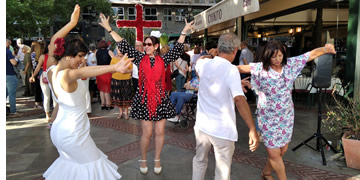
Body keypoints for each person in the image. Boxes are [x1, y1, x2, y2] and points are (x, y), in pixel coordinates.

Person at [98, 12, 193, 175]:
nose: (146, 46)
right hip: (144, 99)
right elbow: (124, 45)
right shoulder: (139, 57)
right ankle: (143, 158)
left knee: (160, 132)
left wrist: (184, 31)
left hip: (161, 100)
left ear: (156, 46)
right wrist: (109, 29)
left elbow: (177, 48)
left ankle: (157, 159)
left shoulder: (164, 59)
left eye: (149, 44)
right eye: (145, 44)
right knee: (147, 133)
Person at [43, 5, 131, 180]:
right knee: (92, 167)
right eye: (80, 56)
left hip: (61, 131)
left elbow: (54, 40)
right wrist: (114, 66)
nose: (83, 60)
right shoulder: (67, 75)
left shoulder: (51, 69)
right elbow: (82, 73)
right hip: (72, 133)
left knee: (74, 168)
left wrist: (72, 23)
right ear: (68, 56)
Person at [237, 40, 336, 180]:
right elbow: (239, 68)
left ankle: (266, 173)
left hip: (286, 116)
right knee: (273, 153)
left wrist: (325, 49)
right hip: (268, 117)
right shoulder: (260, 68)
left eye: (280, 55)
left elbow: (309, 55)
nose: (277, 59)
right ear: (267, 56)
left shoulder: (290, 65)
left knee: (281, 151)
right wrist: (213, 64)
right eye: (273, 56)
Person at [192, 33, 259, 180]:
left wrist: (210, 55)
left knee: (199, 161)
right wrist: (252, 128)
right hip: (222, 130)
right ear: (235, 50)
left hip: (202, 127)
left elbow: (200, 66)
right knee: (222, 172)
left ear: (218, 48)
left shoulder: (203, 64)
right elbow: (240, 100)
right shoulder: (231, 70)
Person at [109, 47, 133, 120]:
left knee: (126, 96)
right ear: (116, 50)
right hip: (116, 80)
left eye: (121, 50)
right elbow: (111, 69)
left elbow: (132, 69)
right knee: (118, 97)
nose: (120, 51)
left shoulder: (127, 59)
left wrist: (126, 71)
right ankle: (120, 112)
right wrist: (115, 70)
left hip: (126, 80)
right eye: (119, 50)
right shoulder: (113, 58)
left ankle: (126, 113)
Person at [96, 40, 113, 110]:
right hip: (107, 70)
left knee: (101, 88)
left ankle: (103, 104)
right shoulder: (109, 51)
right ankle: (108, 104)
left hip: (99, 70)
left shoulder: (97, 52)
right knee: (107, 88)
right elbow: (114, 58)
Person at [6, 41, 19, 115]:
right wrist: (16, 59)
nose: (9, 44)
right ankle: (13, 111)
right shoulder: (7, 52)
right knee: (11, 94)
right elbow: (13, 62)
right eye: (8, 43)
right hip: (10, 74)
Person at [30, 41, 44, 108]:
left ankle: (37, 102)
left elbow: (34, 65)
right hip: (39, 70)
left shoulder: (33, 54)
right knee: (40, 87)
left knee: (37, 86)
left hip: (35, 70)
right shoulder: (40, 55)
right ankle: (39, 102)